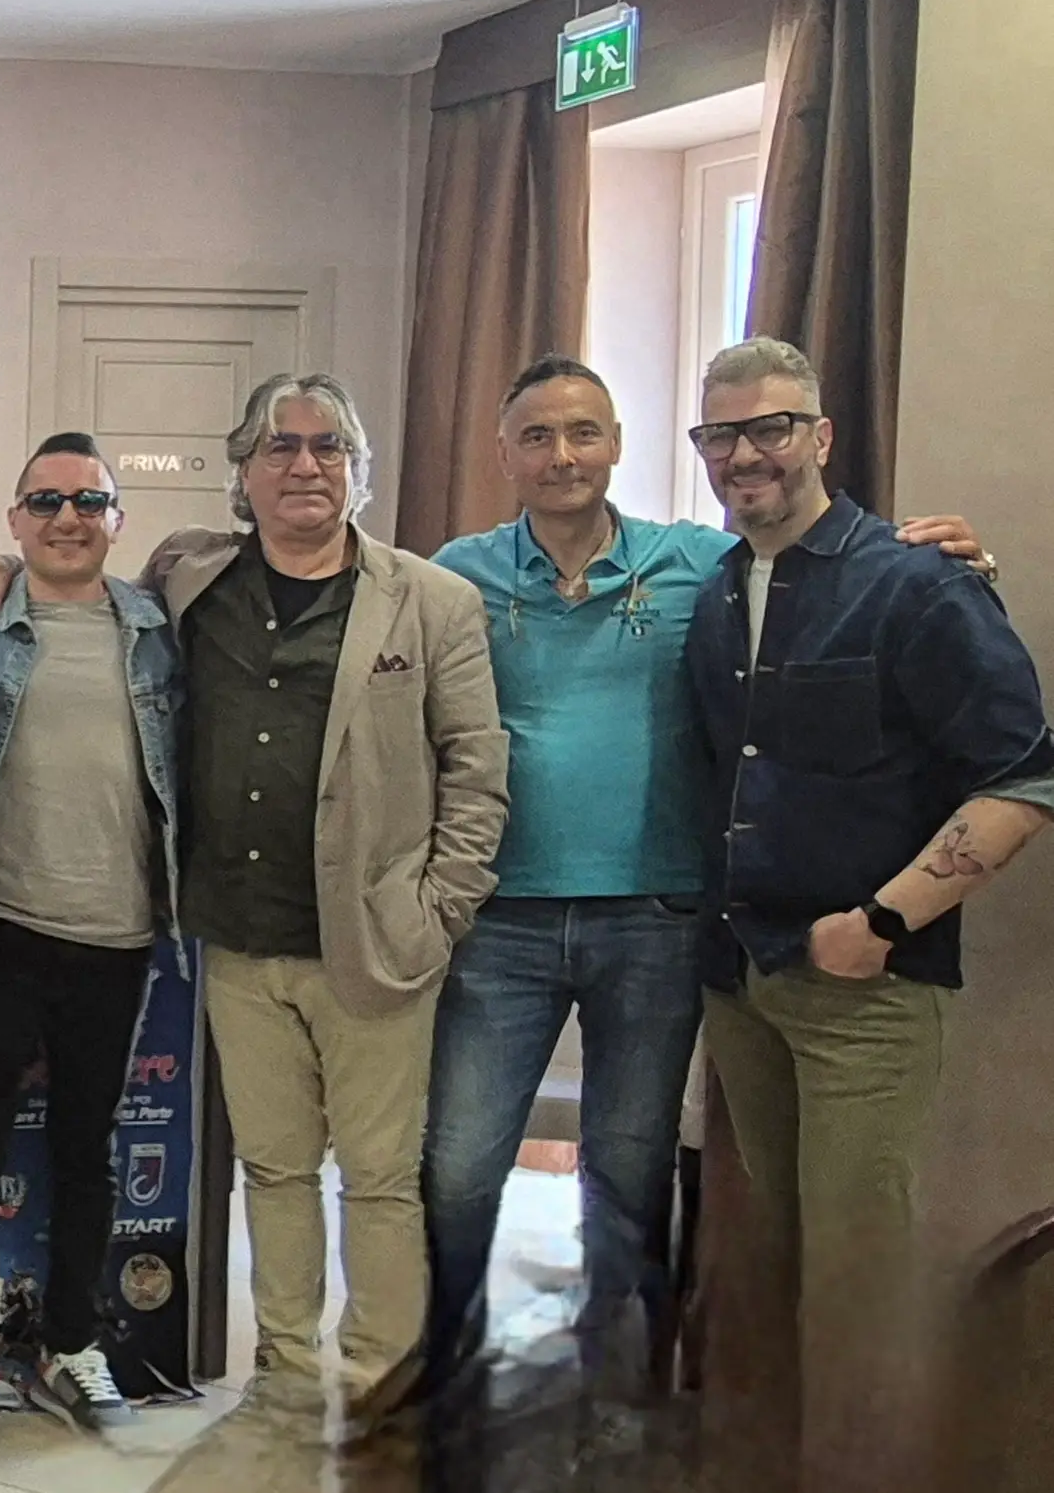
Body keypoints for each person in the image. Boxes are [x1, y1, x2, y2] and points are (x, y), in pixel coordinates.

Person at [416, 354, 988, 1409]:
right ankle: (446, 1376)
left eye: (583, 431)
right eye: (536, 436)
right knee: (455, 1165)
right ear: (502, 454)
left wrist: (954, 555)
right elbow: (361, 623)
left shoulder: (699, 562)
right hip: (501, 919)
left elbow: (824, 571)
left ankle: (614, 1392)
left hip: (662, 915)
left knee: (627, 1170)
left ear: (618, 444)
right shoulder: (456, 575)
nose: (561, 455)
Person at [0, 371, 504, 1440]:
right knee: (275, 1171)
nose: (305, 465)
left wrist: (440, 907)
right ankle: (287, 1375)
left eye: (329, 446)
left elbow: (477, 767)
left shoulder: (431, 601)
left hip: (376, 941)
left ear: (359, 470)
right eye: (280, 446)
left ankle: (380, 1384)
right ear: (242, 474)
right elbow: (75, 587)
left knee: (380, 1180)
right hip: (239, 942)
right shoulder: (189, 580)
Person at [679, 338, 1052, 1476]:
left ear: (822, 435)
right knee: (779, 1267)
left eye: (771, 427)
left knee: (855, 1288)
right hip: (743, 982)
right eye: (721, 434)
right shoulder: (713, 590)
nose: (746, 453)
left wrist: (883, 923)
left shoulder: (918, 584)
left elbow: (1024, 779)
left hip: (866, 997)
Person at [0, 433, 180, 1457]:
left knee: (86, 1152)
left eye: (89, 500)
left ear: (118, 519)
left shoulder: (160, 633)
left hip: (116, 935)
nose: (67, 518)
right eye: (45, 501)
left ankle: (70, 1342)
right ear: (14, 518)